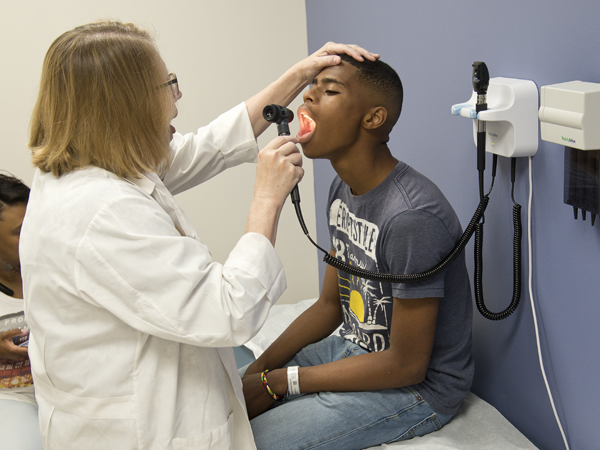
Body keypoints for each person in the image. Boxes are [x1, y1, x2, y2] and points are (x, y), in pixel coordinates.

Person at [18, 21, 378, 450]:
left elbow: (203, 147)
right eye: (166, 85)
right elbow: (230, 310)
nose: (178, 96)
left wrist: (298, 75)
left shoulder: (81, 166)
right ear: (126, 108)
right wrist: (266, 198)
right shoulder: (100, 213)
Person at [241, 55, 474, 450]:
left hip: (417, 388)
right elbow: (329, 305)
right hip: (355, 349)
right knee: (220, 401)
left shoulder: (412, 218)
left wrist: (285, 382)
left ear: (373, 118)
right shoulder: (342, 190)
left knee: (254, 442)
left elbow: (407, 364)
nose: (309, 96)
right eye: (311, 87)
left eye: (329, 90)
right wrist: (259, 370)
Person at [0, 173, 43, 450]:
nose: (31, 236)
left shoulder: (58, 272)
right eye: (18, 231)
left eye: (34, 224)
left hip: (67, 397)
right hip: (12, 400)